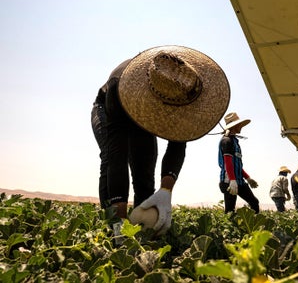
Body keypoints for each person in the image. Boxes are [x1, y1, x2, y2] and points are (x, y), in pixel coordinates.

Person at [91, 45, 230, 236]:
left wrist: (166, 190)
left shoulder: (184, 89)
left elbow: (178, 144)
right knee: (109, 158)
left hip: (143, 117)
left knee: (144, 171)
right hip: (110, 109)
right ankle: (113, 224)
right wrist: (120, 219)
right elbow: (117, 157)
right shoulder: (119, 84)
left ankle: (143, 228)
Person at [218, 112, 260, 214]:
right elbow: (228, 163)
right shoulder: (226, 141)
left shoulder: (235, 141)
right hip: (229, 181)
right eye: (239, 124)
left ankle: (251, 227)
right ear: (234, 126)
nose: (241, 126)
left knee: (254, 202)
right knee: (230, 210)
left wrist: (248, 178)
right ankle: (229, 228)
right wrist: (232, 180)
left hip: (239, 181)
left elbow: (236, 165)